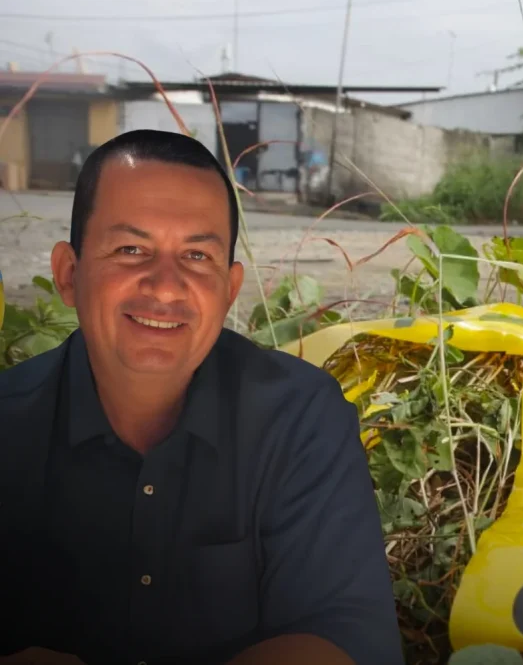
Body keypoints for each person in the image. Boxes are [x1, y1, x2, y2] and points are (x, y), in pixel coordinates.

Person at [0, 130, 404, 665]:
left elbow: (345, 635)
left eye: (196, 255)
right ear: (68, 275)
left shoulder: (299, 417)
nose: (165, 287)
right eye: (131, 249)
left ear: (230, 289)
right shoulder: (8, 425)